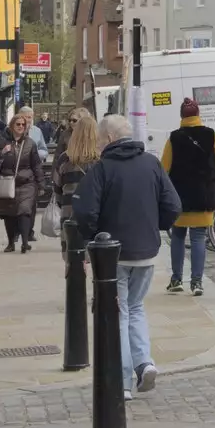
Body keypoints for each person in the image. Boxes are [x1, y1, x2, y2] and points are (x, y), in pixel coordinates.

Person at [73, 114, 181, 400]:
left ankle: (122, 382)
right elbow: (173, 205)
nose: (96, 145)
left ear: (109, 138)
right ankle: (144, 363)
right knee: (135, 308)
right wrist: (153, 226)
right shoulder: (151, 164)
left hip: (114, 255)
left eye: (98, 140)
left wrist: (94, 237)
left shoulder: (102, 169)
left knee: (119, 313)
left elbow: (84, 212)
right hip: (146, 252)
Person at [160, 98, 215, 297]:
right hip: (203, 194)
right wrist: (211, 166)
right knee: (199, 237)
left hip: (180, 196)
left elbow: (164, 167)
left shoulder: (174, 138)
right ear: (198, 115)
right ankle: (197, 282)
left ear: (182, 116)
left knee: (177, 236)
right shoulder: (211, 135)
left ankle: (176, 279)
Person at [0, 109, 43, 253]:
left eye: (23, 124)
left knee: (25, 211)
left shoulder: (30, 144)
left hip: (26, 182)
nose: (21, 126)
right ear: (12, 125)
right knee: (9, 214)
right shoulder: (2, 142)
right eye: (18, 124)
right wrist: (2, 153)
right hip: (7, 182)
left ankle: (25, 242)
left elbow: (36, 164)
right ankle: (10, 243)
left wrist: (41, 182)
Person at [54, 109, 101, 252]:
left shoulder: (65, 158)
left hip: (70, 212)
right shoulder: (102, 159)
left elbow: (57, 188)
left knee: (73, 260)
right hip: (96, 214)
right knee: (99, 263)